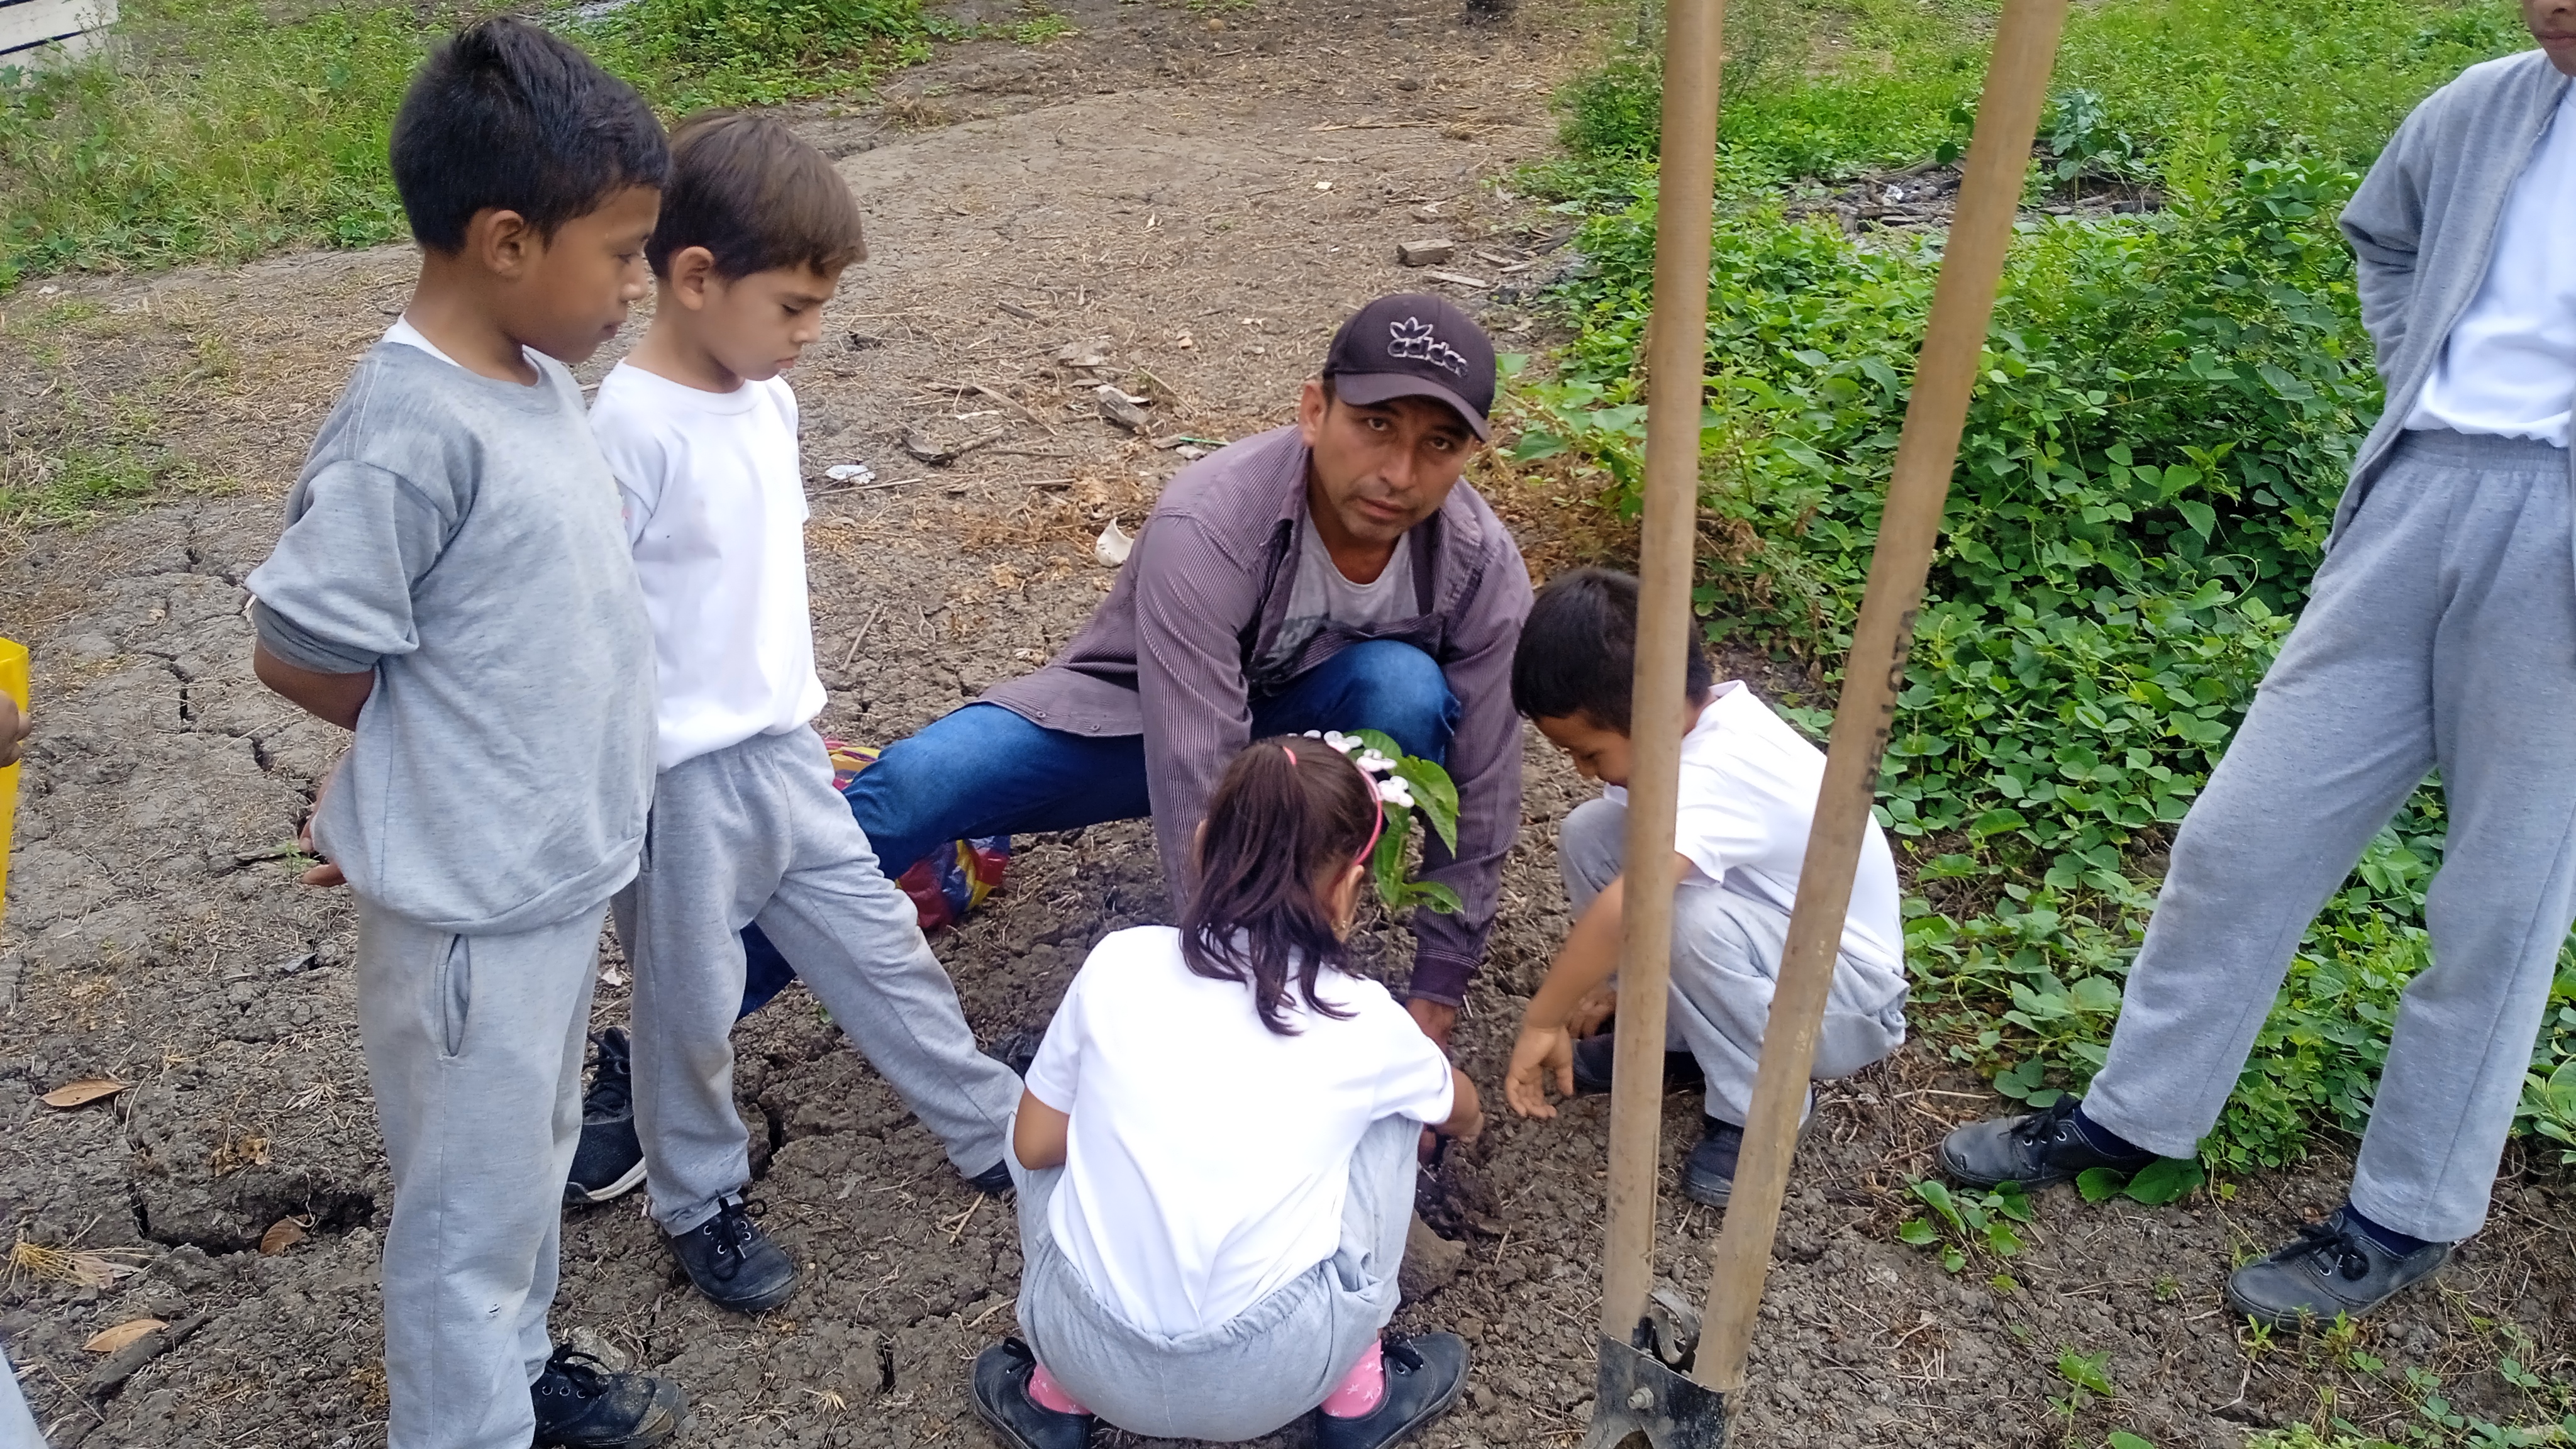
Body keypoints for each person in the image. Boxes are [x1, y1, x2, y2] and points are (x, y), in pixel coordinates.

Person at [1936, 0, 2576, 1329]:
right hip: (2416, 492)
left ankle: (2406, 1210)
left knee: (2497, 905)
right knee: (2242, 833)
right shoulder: (2484, 102)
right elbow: (2383, 232)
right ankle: (2136, 1112)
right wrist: (2413, 373)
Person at [240, 20, 683, 1448]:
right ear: (505, 242)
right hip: (471, 915)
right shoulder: (407, 427)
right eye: (621, 254)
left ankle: (515, 1370)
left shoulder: (534, 377)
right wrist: (414, 755)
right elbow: (301, 645)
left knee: (531, 1155)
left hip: (544, 881)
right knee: (462, 1218)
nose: (635, 286)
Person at [743, 293, 1532, 1050]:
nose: (1399, 472)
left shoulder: (1479, 567)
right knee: (922, 781)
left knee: (1401, 688)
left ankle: (1315, 921)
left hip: (1308, 744)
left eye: (1439, 444)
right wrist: (1232, 991)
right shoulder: (1213, 519)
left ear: (1472, 453)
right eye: (1375, 425)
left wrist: (1439, 985)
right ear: (1314, 411)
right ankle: (706, 1006)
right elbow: (1196, 765)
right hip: (1136, 723)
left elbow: (1484, 774)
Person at [588, 111, 1021, 1312]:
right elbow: (586, 624)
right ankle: (698, 1196)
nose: (811, 331)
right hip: (677, 788)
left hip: (788, 754)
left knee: (883, 947)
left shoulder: (766, 405)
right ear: (695, 277)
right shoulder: (626, 432)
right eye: (792, 305)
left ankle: (990, 1126)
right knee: (686, 1008)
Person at [971, 735, 1484, 1449]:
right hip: (1273, 1376)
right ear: (1346, 889)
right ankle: (1358, 1399)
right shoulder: (1364, 1018)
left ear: (1202, 845)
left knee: (1045, 1103)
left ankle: (1052, 1399)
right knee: (1401, 1107)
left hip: (1081, 1347)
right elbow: (1461, 1110)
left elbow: (1033, 1148)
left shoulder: (1117, 963)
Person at [1499, 569, 1908, 1206]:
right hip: (1778, 947)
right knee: (1592, 833)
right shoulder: (1688, 729)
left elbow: (1630, 907)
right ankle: (1674, 1037)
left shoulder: (1718, 771)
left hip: (1846, 998)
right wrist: (1617, 986)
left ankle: (1763, 1108)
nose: (1581, 771)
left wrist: (1543, 1017)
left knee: (1679, 916)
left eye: (1590, 754)